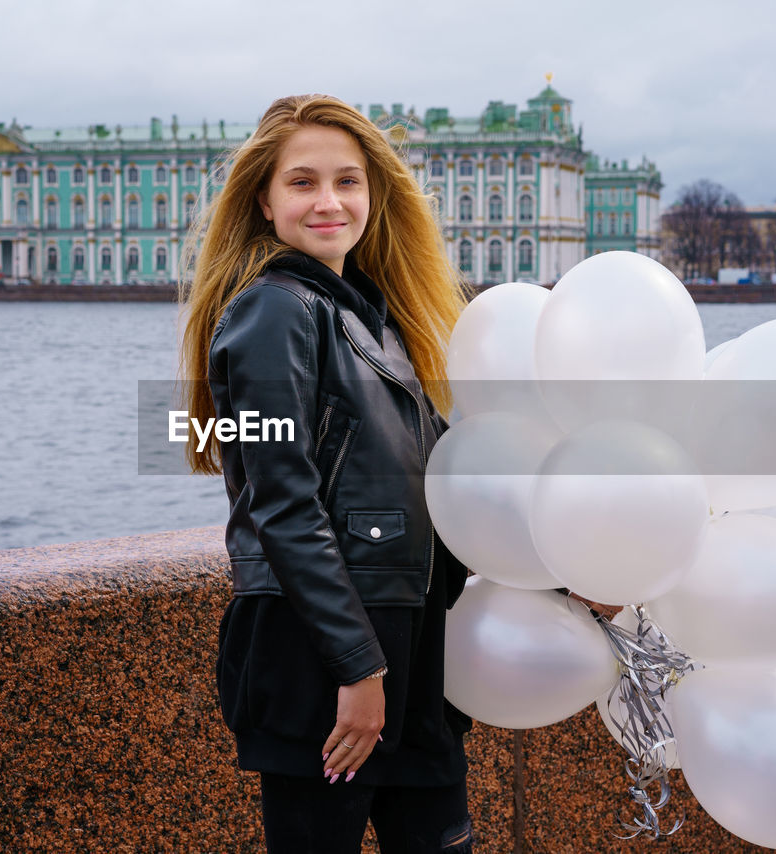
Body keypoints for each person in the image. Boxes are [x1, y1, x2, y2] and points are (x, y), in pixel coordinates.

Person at [178, 94, 475, 853]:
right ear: (266, 202)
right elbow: (283, 505)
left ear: (375, 195)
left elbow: (446, 489)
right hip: (325, 663)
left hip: (412, 652)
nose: (329, 201)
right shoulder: (273, 311)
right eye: (303, 182)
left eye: (348, 181)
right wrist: (358, 668)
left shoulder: (382, 318)